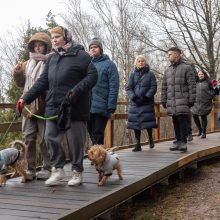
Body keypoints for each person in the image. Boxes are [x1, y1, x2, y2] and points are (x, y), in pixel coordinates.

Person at [16, 26, 98, 186]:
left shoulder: (81, 55)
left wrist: (76, 92)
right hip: (53, 107)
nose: (54, 39)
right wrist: (25, 98)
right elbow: (42, 82)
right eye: (52, 37)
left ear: (67, 38)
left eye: (57, 37)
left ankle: (77, 171)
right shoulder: (52, 58)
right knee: (49, 138)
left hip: (74, 107)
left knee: (75, 141)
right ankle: (58, 169)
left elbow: (93, 76)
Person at [13, 32, 52, 180]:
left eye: (40, 45)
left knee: (44, 139)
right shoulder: (26, 64)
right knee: (28, 139)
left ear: (46, 46)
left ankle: (48, 168)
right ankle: (30, 170)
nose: (38, 48)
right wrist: (17, 73)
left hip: (43, 107)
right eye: (35, 45)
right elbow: (20, 84)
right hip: (28, 107)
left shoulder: (49, 62)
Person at [161, 47, 196, 152]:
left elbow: (192, 85)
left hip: (183, 100)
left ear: (177, 54)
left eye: (170, 54)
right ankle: (177, 141)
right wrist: (163, 99)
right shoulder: (168, 70)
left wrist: (191, 99)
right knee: (175, 121)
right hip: (172, 101)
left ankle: (183, 142)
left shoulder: (187, 67)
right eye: (168, 55)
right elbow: (164, 86)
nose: (168, 57)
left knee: (182, 121)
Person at [87, 38, 119, 145]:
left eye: (95, 47)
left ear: (100, 49)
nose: (93, 49)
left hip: (101, 105)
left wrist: (111, 105)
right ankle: (96, 155)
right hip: (87, 106)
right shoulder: (87, 64)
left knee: (98, 133)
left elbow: (114, 86)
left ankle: (98, 159)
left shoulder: (109, 64)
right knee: (91, 133)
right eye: (91, 48)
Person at [126, 55, 157, 152]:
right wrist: (134, 97)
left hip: (146, 102)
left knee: (147, 122)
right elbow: (128, 88)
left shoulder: (150, 74)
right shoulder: (132, 74)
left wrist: (146, 97)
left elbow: (153, 87)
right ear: (136, 63)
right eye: (139, 61)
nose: (141, 62)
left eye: (142, 61)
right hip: (135, 103)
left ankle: (150, 139)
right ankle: (138, 144)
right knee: (136, 124)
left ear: (145, 62)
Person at [191, 70, 215, 138]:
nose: (200, 75)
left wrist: (210, 96)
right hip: (196, 102)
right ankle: (200, 130)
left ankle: (204, 133)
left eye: (202, 74)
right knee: (194, 115)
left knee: (203, 116)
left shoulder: (208, 82)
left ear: (204, 75)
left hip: (205, 102)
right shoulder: (195, 82)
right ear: (197, 75)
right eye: (199, 74)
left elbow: (213, 91)